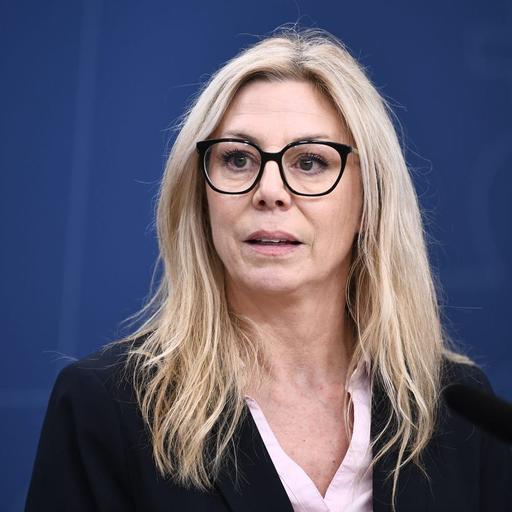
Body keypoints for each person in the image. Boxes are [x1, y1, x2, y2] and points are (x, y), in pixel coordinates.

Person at [26, 27, 511, 511]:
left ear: (371, 199)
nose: (270, 191)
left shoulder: (458, 409)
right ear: (201, 196)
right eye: (238, 158)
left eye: (310, 162)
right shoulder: (105, 407)